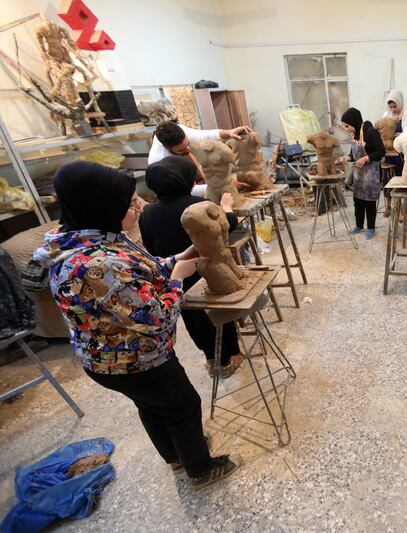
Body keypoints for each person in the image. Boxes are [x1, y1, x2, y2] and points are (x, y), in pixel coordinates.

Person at [33, 161, 239, 488]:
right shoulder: (95, 264)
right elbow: (156, 317)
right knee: (183, 405)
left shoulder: (89, 236)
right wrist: (177, 279)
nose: (139, 206)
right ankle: (200, 469)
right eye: (130, 203)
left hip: (110, 358)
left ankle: (176, 457)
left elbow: (143, 269)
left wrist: (181, 255)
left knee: (152, 405)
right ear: (103, 207)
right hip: (133, 359)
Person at [138, 156, 244, 378]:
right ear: (186, 180)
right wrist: (226, 207)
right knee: (219, 316)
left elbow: (150, 248)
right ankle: (229, 358)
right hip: (206, 272)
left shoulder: (147, 213)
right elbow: (229, 224)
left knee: (194, 320)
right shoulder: (196, 207)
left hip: (175, 274)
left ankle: (212, 358)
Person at [148, 120, 253, 196]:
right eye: (181, 150)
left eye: (188, 143)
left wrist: (229, 132)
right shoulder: (159, 161)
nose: (188, 149)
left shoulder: (178, 130)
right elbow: (186, 191)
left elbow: (204, 135)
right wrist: (221, 186)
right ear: (166, 148)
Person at [340, 107, 385, 239]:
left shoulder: (371, 132)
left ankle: (371, 227)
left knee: (369, 202)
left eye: (347, 125)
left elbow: (381, 151)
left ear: (354, 121)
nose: (347, 128)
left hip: (370, 174)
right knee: (358, 201)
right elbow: (353, 153)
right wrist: (347, 157)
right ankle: (359, 225)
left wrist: (366, 158)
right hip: (358, 175)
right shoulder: (355, 135)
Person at [380, 90, 407, 217]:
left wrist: (401, 135)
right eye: (390, 107)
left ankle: (404, 206)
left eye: (394, 106)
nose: (392, 109)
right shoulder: (386, 114)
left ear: (400, 103)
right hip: (389, 153)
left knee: (403, 178)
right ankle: (389, 205)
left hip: (403, 153)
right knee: (387, 178)